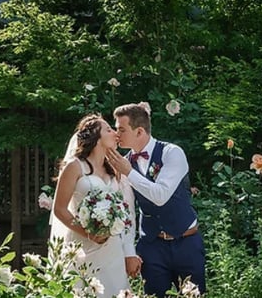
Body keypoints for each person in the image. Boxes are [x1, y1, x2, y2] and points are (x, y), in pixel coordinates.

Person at [107, 102, 206, 297]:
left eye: (121, 129)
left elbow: (160, 196)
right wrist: (130, 252)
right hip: (151, 246)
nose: (117, 134)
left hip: (186, 242)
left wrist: (129, 172)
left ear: (139, 131)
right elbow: (127, 211)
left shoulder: (172, 152)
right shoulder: (124, 163)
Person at [49, 114, 137, 297]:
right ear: (96, 137)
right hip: (82, 246)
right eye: (109, 129)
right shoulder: (74, 166)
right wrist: (88, 233)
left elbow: (127, 211)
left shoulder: (115, 169)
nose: (115, 133)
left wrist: (129, 251)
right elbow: (59, 209)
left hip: (112, 249)